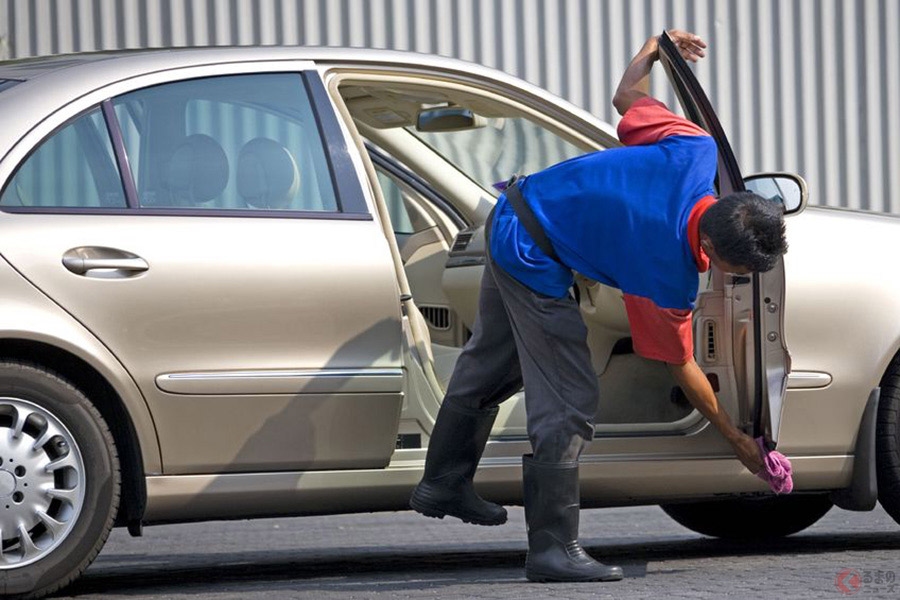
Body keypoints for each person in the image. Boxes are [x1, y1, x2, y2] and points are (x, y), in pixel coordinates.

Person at [409, 29, 786, 583]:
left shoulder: (694, 150)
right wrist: (734, 436)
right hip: (530, 252)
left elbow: (625, 98)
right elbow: (679, 362)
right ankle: (553, 551)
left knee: (495, 358)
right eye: (741, 272)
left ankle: (443, 481)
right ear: (710, 249)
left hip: (512, 210)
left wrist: (654, 52)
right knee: (569, 397)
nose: (741, 280)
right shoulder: (665, 272)